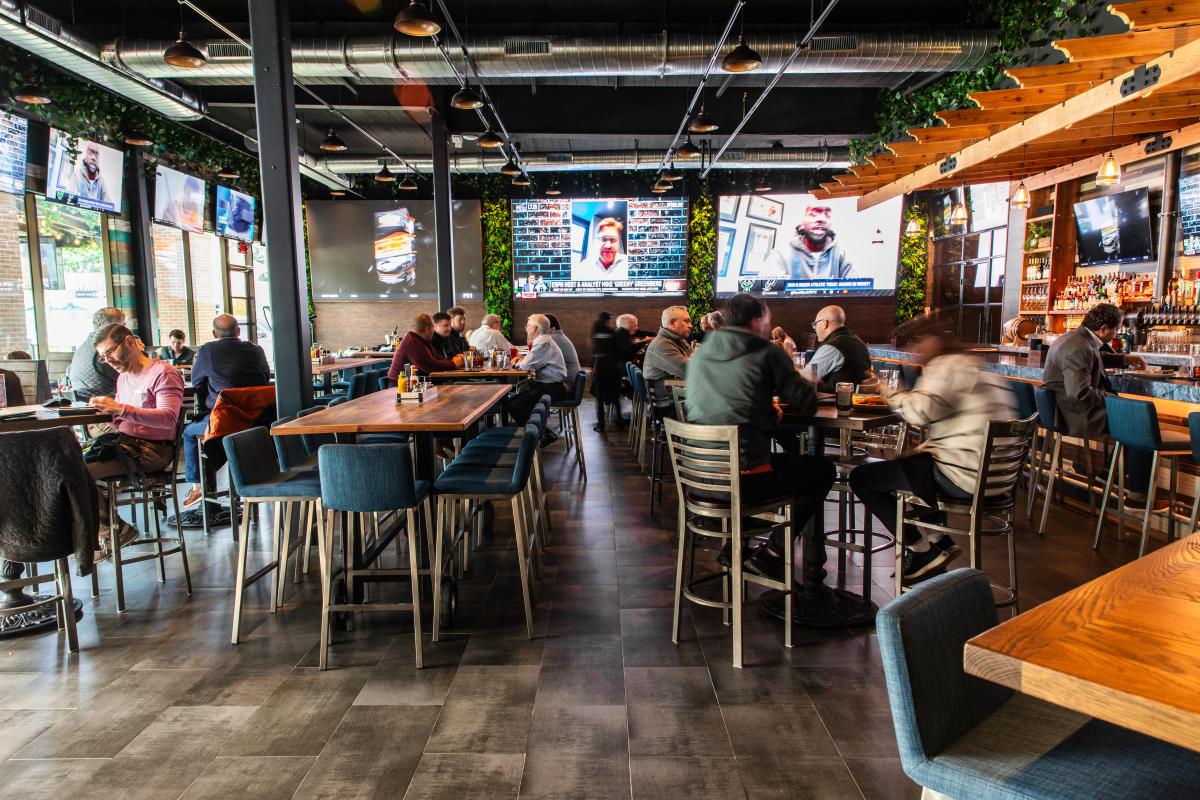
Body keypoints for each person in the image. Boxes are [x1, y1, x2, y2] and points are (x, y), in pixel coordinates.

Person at [848, 315, 1016, 582]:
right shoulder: (974, 365)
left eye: (917, 346)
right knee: (916, 462)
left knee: (862, 478)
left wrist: (885, 390)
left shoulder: (946, 365)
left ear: (932, 341)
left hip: (965, 478)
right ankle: (941, 540)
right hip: (998, 480)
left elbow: (918, 413)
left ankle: (921, 549)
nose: (915, 354)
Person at [685, 293, 836, 581]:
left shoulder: (702, 353)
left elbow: (726, 402)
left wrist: (765, 407)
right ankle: (773, 555)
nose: (769, 323)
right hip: (741, 481)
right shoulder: (767, 352)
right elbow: (806, 403)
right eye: (767, 317)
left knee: (769, 458)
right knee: (821, 470)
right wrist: (798, 370)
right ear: (755, 321)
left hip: (698, 477)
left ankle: (735, 547)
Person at [1041, 303, 1157, 507]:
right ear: (1103, 329)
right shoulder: (1079, 347)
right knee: (1139, 424)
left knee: (1130, 417)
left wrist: (1124, 358)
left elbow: (1093, 359)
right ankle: (1137, 497)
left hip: (1062, 409)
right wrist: (1116, 402)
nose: (1117, 333)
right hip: (1074, 414)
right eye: (1116, 329)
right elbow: (1080, 392)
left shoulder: (1075, 339)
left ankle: (1109, 475)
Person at [86, 323, 184, 559]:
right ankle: (97, 534)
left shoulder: (163, 373)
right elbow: (124, 418)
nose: (108, 360)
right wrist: (108, 416)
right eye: (103, 357)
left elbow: (169, 419)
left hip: (152, 451)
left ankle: (112, 530)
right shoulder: (124, 378)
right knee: (65, 466)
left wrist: (120, 408)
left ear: (130, 342)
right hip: (126, 444)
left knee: (78, 472)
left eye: (110, 352)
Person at [181, 315, 272, 508]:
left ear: (214, 333)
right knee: (206, 429)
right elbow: (265, 379)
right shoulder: (256, 350)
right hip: (258, 421)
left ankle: (199, 487)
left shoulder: (207, 350)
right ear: (238, 331)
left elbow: (196, 383)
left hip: (225, 423)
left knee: (189, 433)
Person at [508, 314, 569, 445]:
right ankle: (536, 434)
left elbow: (526, 366)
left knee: (514, 405)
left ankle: (544, 434)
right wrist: (523, 361)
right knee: (514, 401)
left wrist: (517, 363)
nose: (526, 329)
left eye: (527, 326)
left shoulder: (543, 343)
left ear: (535, 329)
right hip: (549, 386)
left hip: (551, 388)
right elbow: (530, 362)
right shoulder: (543, 341)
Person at [764, 203, 853, 280]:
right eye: (814, 213)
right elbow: (765, 292)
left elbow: (858, 291)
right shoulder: (781, 254)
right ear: (803, 223)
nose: (821, 219)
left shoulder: (840, 254)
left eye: (827, 214)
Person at [805, 305, 870, 392]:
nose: (815, 329)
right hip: (860, 401)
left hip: (837, 403)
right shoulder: (858, 341)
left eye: (815, 324)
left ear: (825, 323)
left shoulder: (832, 346)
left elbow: (806, 378)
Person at [643, 305, 692, 416]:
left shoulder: (677, 340)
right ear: (673, 323)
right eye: (686, 321)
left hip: (675, 398)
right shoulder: (662, 344)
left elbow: (693, 356)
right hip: (668, 406)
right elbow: (690, 370)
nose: (690, 325)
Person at [68, 306, 125, 402]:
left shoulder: (83, 347)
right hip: (103, 406)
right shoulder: (104, 348)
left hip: (83, 402)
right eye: (123, 325)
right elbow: (131, 376)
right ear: (114, 327)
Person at [388, 314, 458, 383]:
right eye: (433, 328)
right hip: (399, 386)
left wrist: (453, 362)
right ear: (427, 329)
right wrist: (453, 364)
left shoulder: (422, 340)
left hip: (414, 383)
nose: (434, 331)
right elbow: (430, 366)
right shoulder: (412, 342)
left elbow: (438, 358)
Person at [590, 312, 622, 432]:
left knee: (599, 398)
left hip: (600, 367)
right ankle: (619, 423)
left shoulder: (595, 331)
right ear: (608, 321)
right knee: (615, 396)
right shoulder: (612, 332)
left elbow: (594, 350)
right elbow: (617, 350)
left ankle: (601, 424)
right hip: (612, 367)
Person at [63, 142, 114, 208]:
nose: (94, 158)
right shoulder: (77, 176)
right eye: (91, 153)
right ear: (86, 157)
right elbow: (69, 201)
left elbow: (110, 205)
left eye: (96, 155)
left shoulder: (101, 181)